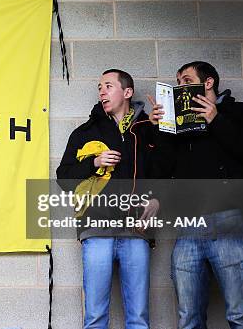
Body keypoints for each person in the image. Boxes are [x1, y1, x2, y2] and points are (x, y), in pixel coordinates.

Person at [149, 61, 243, 329]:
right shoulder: (176, 123)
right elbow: (160, 168)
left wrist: (216, 119)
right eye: (178, 82)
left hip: (230, 220)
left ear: (208, 83)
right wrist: (161, 128)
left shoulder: (240, 112)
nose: (180, 86)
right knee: (188, 318)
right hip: (188, 225)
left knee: (241, 316)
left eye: (186, 80)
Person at [57, 69, 159, 329]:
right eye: (99, 87)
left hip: (136, 230)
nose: (101, 91)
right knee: (95, 317)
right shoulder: (84, 132)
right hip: (97, 229)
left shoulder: (148, 130)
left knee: (138, 318)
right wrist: (94, 162)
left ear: (127, 92)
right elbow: (63, 178)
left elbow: (166, 170)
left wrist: (158, 199)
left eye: (108, 86)